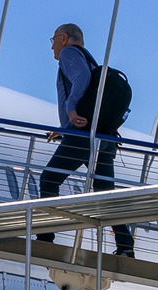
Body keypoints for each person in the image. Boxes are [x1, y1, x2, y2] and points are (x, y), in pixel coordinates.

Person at [38, 23, 135, 256]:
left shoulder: (70, 54)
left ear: (63, 38)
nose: (52, 47)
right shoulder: (90, 60)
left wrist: (71, 111)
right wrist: (64, 128)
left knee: (49, 180)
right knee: (104, 193)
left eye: (52, 41)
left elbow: (80, 79)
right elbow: (91, 103)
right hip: (103, 138)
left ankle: (45, 238)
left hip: (82, 138)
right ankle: (125, 246)